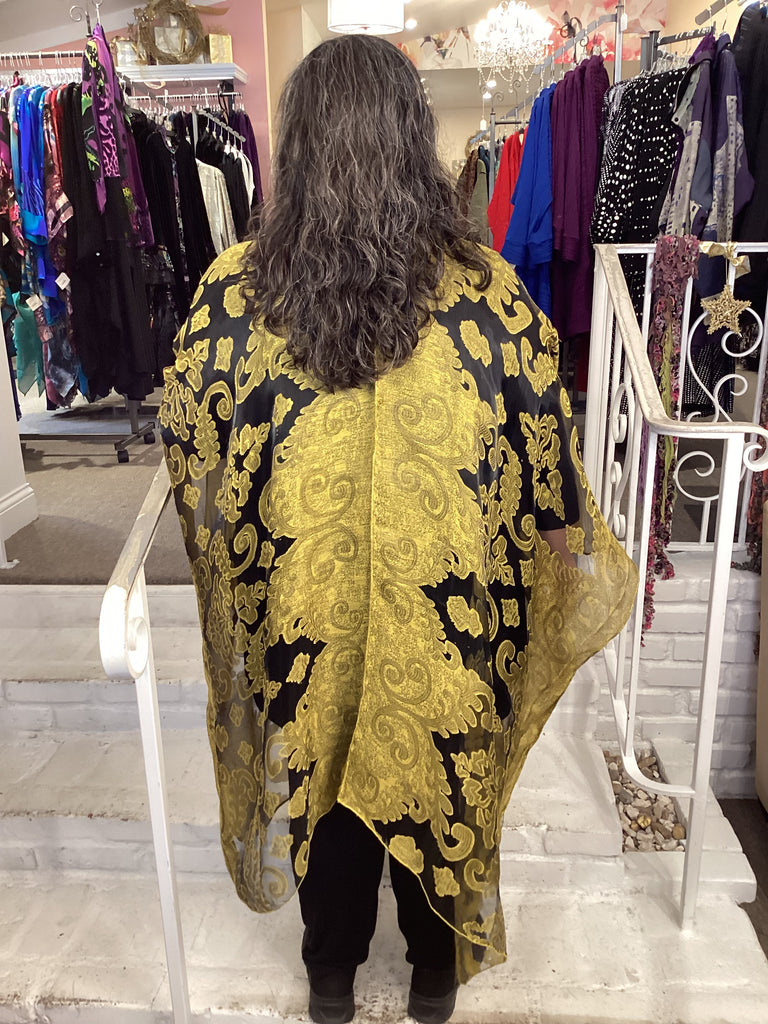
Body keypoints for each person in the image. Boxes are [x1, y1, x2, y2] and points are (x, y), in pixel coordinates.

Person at [160, 34, 638, 1024]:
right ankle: (431, 979)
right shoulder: (486, 295)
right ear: (412, 140)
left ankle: (331, 978)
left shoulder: (238, 295)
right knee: (442, 782)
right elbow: (543, 450)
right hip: (450, 616)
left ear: (301, 145)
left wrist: (237, 546)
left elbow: (192, 445)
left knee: (324, 788)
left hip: (301, 614)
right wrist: (567, 555)